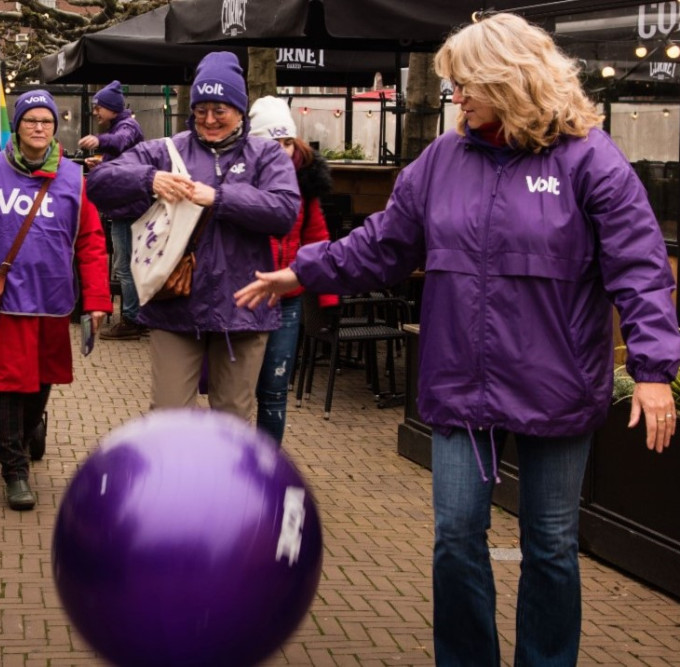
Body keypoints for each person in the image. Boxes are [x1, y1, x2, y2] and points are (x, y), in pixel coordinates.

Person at [235, 13, 680, 666]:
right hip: (461, 382)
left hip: (556, 382)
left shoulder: (590, 158)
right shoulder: (442, 160)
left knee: (551, 544)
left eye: (465, 83)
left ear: (510, 80)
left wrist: (651, 369)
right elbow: (383, 243)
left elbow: (639, 266)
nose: (456, 96)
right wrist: (303, 270)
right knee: (454, 537)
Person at [87, 52, 299, 421]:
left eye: (220, 109)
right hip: (176, 306)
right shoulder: (167, 151)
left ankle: (228, 482)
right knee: (169, 416)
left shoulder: (266, 154)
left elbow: (284, 211)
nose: (210, 119)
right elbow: (99, 183)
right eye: (201, 109)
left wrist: (219, 198)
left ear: (239, 109)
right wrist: (148, 179)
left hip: (243, 308)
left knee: (233, 418)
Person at [0, 89, 112, 511]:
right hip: (4, 304)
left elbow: (91, 241)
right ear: (18, 126)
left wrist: (97, 298)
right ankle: (14, 470)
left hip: (52, 302)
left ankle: (20, 446)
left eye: (46, 121)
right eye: (31, 121)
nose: (39, 127)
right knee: (8, 386)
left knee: (40, 384)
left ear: (54, 128)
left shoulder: (73, 179)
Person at [246, 96, 337, 446]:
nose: (283, 151)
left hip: (287, 300)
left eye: (287, 142)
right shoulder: (242, 181)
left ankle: (268, 467)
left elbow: (317, 238)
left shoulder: (306, 182)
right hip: (246, 299)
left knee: (274, 389)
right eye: (274, 143)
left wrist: (327, 297)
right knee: (238, 392)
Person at [76, 81, 146, 340]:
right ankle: (136, 315)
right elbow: (123, 156)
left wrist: (99, 141)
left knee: (124, 265)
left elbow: (120, 141)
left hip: (127, 208)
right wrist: (102, 163)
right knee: (126, 264)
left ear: (111, 108)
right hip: (126, 205)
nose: (96, 113)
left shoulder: (127, 127)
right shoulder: (125, 125)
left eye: (99, 108)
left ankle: (131, 319)